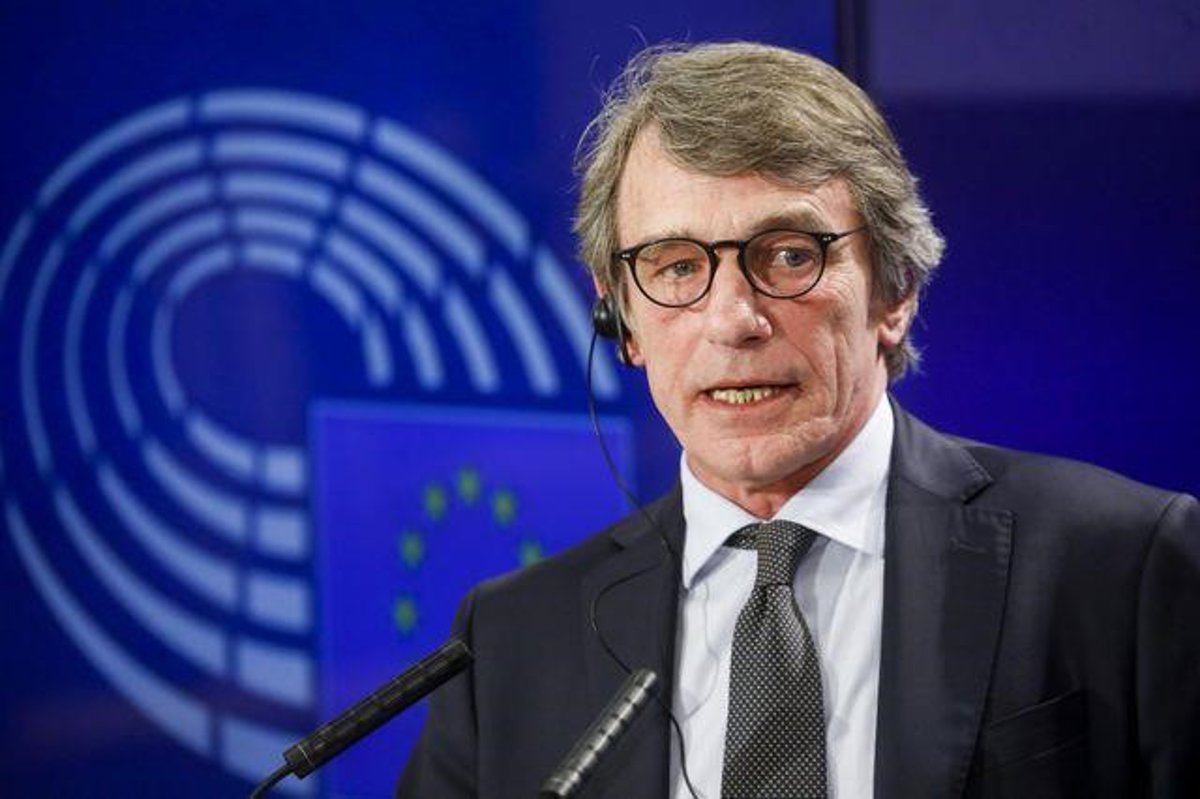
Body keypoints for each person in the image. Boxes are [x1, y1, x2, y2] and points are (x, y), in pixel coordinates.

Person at [398, 42, 1200, 798]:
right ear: (620, 320)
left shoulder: (1120, 565)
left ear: (894, 289)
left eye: (788, 254)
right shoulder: (509, 640)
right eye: (676, 266)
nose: (733, 320)